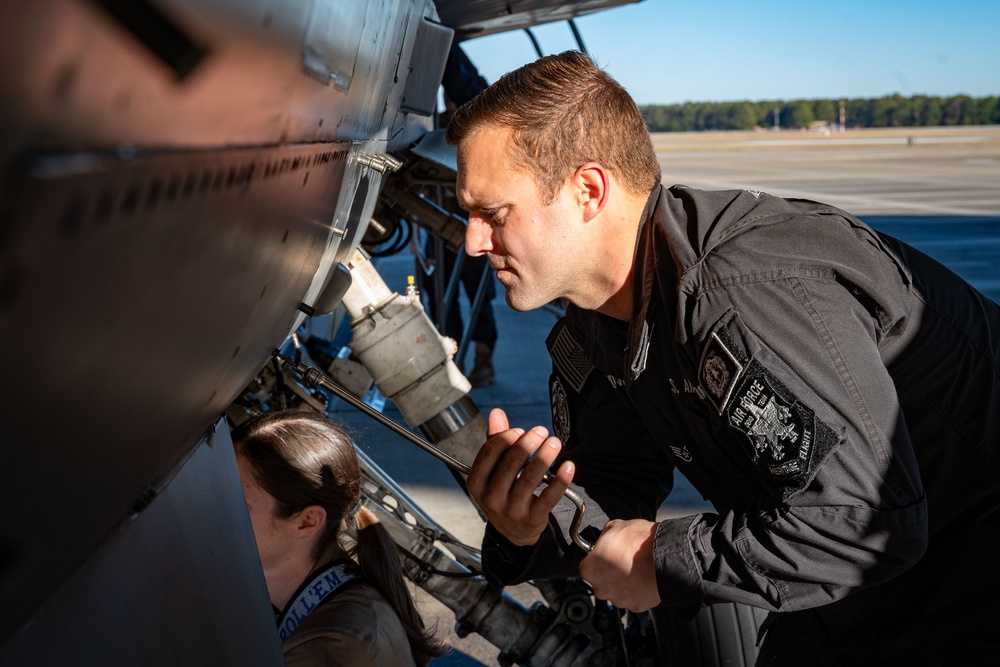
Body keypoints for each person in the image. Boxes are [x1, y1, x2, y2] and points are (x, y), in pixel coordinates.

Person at [445, 50, 1000, 665]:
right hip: (858, 587)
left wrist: (665, 560)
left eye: (492, 214)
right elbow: (613, 484)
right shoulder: (599, 319)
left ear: (588, 190)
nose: (471, 242)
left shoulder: (739, 296)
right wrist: (530, 525)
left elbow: (869, 519)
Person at [232, 410, 446, 666]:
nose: (212, 510)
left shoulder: (329, 646)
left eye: (239, 503)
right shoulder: (340, 605)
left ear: (307, 522)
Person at [420, 44, 498, 386]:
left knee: (479, 297)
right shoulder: (439, 126)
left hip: (472, 227)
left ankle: (483, 361)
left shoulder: (479, 126)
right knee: (440, 299)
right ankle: (455, 362)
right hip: (438, 230)